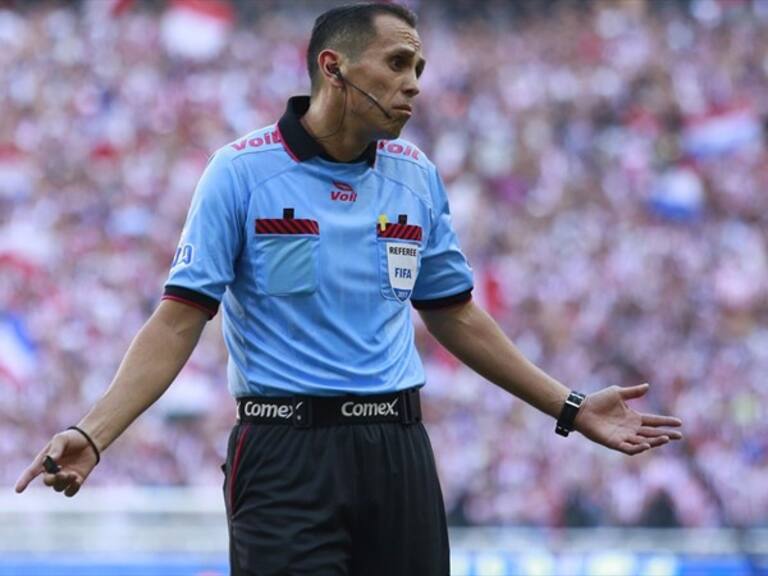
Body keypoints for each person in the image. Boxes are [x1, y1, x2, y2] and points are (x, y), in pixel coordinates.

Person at [15, 3, 683, 575]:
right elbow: (178, 320)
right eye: (397, 64)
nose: (414, 85)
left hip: (398, 448)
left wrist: (568, 407)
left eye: (418, 69)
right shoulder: (240, 173)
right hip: (284, 453)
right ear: (333, 67)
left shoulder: (416, 176)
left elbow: (455, 316)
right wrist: (94, 433)